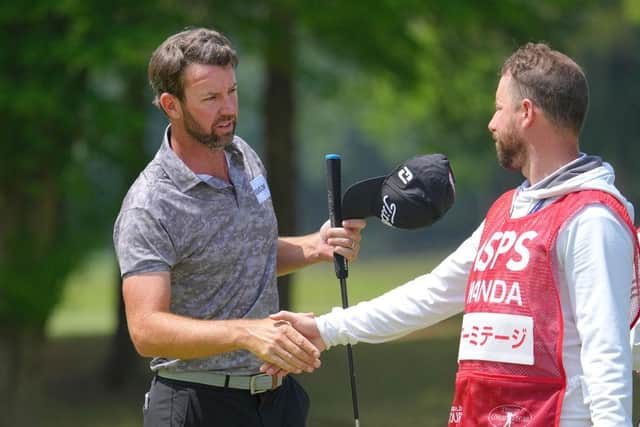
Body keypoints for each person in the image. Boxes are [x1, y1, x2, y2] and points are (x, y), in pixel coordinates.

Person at [264, 42, 640, 426]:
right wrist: (326, 329)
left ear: (526, 113)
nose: (491, 123)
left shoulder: (592, 219)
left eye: (498, 107)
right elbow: (432, 293)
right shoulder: (506, 210)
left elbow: (606, 355)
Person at [112, 27, 366, 427]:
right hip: (196, 405)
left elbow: (246, 255)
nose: (228, 107)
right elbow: (146, 329)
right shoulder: (150, 204)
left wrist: (315, 247)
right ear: (170, 104)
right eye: (211, 98)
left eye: (232, 92)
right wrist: (246, 333)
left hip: (275, 402)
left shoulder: (242, 156)